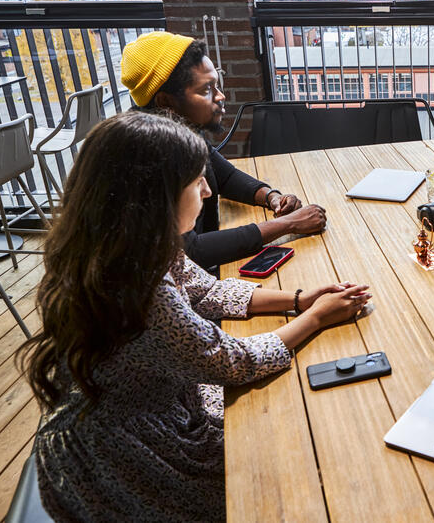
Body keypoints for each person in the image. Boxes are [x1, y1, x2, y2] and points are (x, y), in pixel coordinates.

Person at [20, 112, 371, 521]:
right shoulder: (137, 289)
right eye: (196, 181)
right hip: (127, 459)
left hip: (139, 416)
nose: (207, 191)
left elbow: (205, 290)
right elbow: (230, 361)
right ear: (154, 196)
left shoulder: (128, 245)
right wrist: (315, 319)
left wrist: (297, 298)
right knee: (285, 473)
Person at [121, 31, 326, 269]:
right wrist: (288, 224)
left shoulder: (179, 129)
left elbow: (224, 175)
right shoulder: (151, 153)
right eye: (206, 90)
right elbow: (189, 251)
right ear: (166, 102)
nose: (220, 96)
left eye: (216, 84)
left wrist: (272, 197)